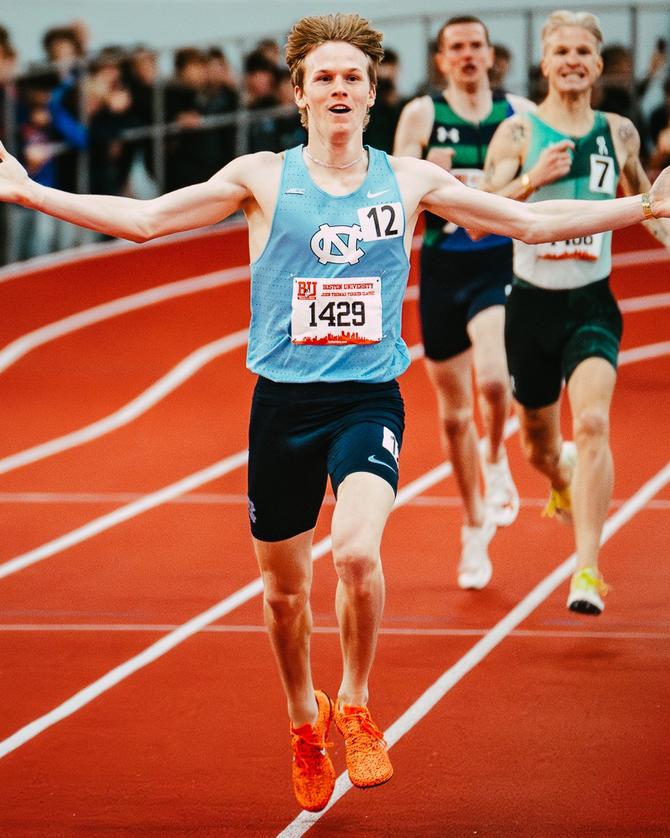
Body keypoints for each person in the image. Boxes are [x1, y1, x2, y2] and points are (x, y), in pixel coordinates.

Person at [1, 11, 669, 813]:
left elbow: (525, 220)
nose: (341, 87)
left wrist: (640, 211)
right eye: (326, 77)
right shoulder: (261, 177)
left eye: (354, 76)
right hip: (282, 406)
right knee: (286, 598)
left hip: (366, 399)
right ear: (300, 95)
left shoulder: (411, 179)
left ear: (373, 91)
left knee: (354, 555)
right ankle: (300, 718)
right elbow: (146, 222)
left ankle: (353, 700)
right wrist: (27, 190)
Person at [479, 9, 670, 615]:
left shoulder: (619, 133)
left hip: (592, 302)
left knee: (590, 424)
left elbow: (649, 204)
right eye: (561, 51)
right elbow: (482, 212)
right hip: (530, 305)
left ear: (597, 62)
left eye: (583, 52)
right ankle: (559, 482)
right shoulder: (516, 133)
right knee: (537, 445)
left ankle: (586, 571)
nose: (572, 61)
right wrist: (533, 179)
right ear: (544, 61)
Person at [393, 16, 533, 591]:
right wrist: (427, 186)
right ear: (442, 59)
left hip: (498, 263)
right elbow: (397, 189)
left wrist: (512, 189)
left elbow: (539, 186)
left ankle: (497, 458)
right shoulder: (423, 116)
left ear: (491, 54)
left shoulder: (519, 115)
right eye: (457, 47)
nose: (469, 55)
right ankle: (474, 522)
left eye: (477, 45)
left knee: (496, 380)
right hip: (444, 268)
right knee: (453, 417)